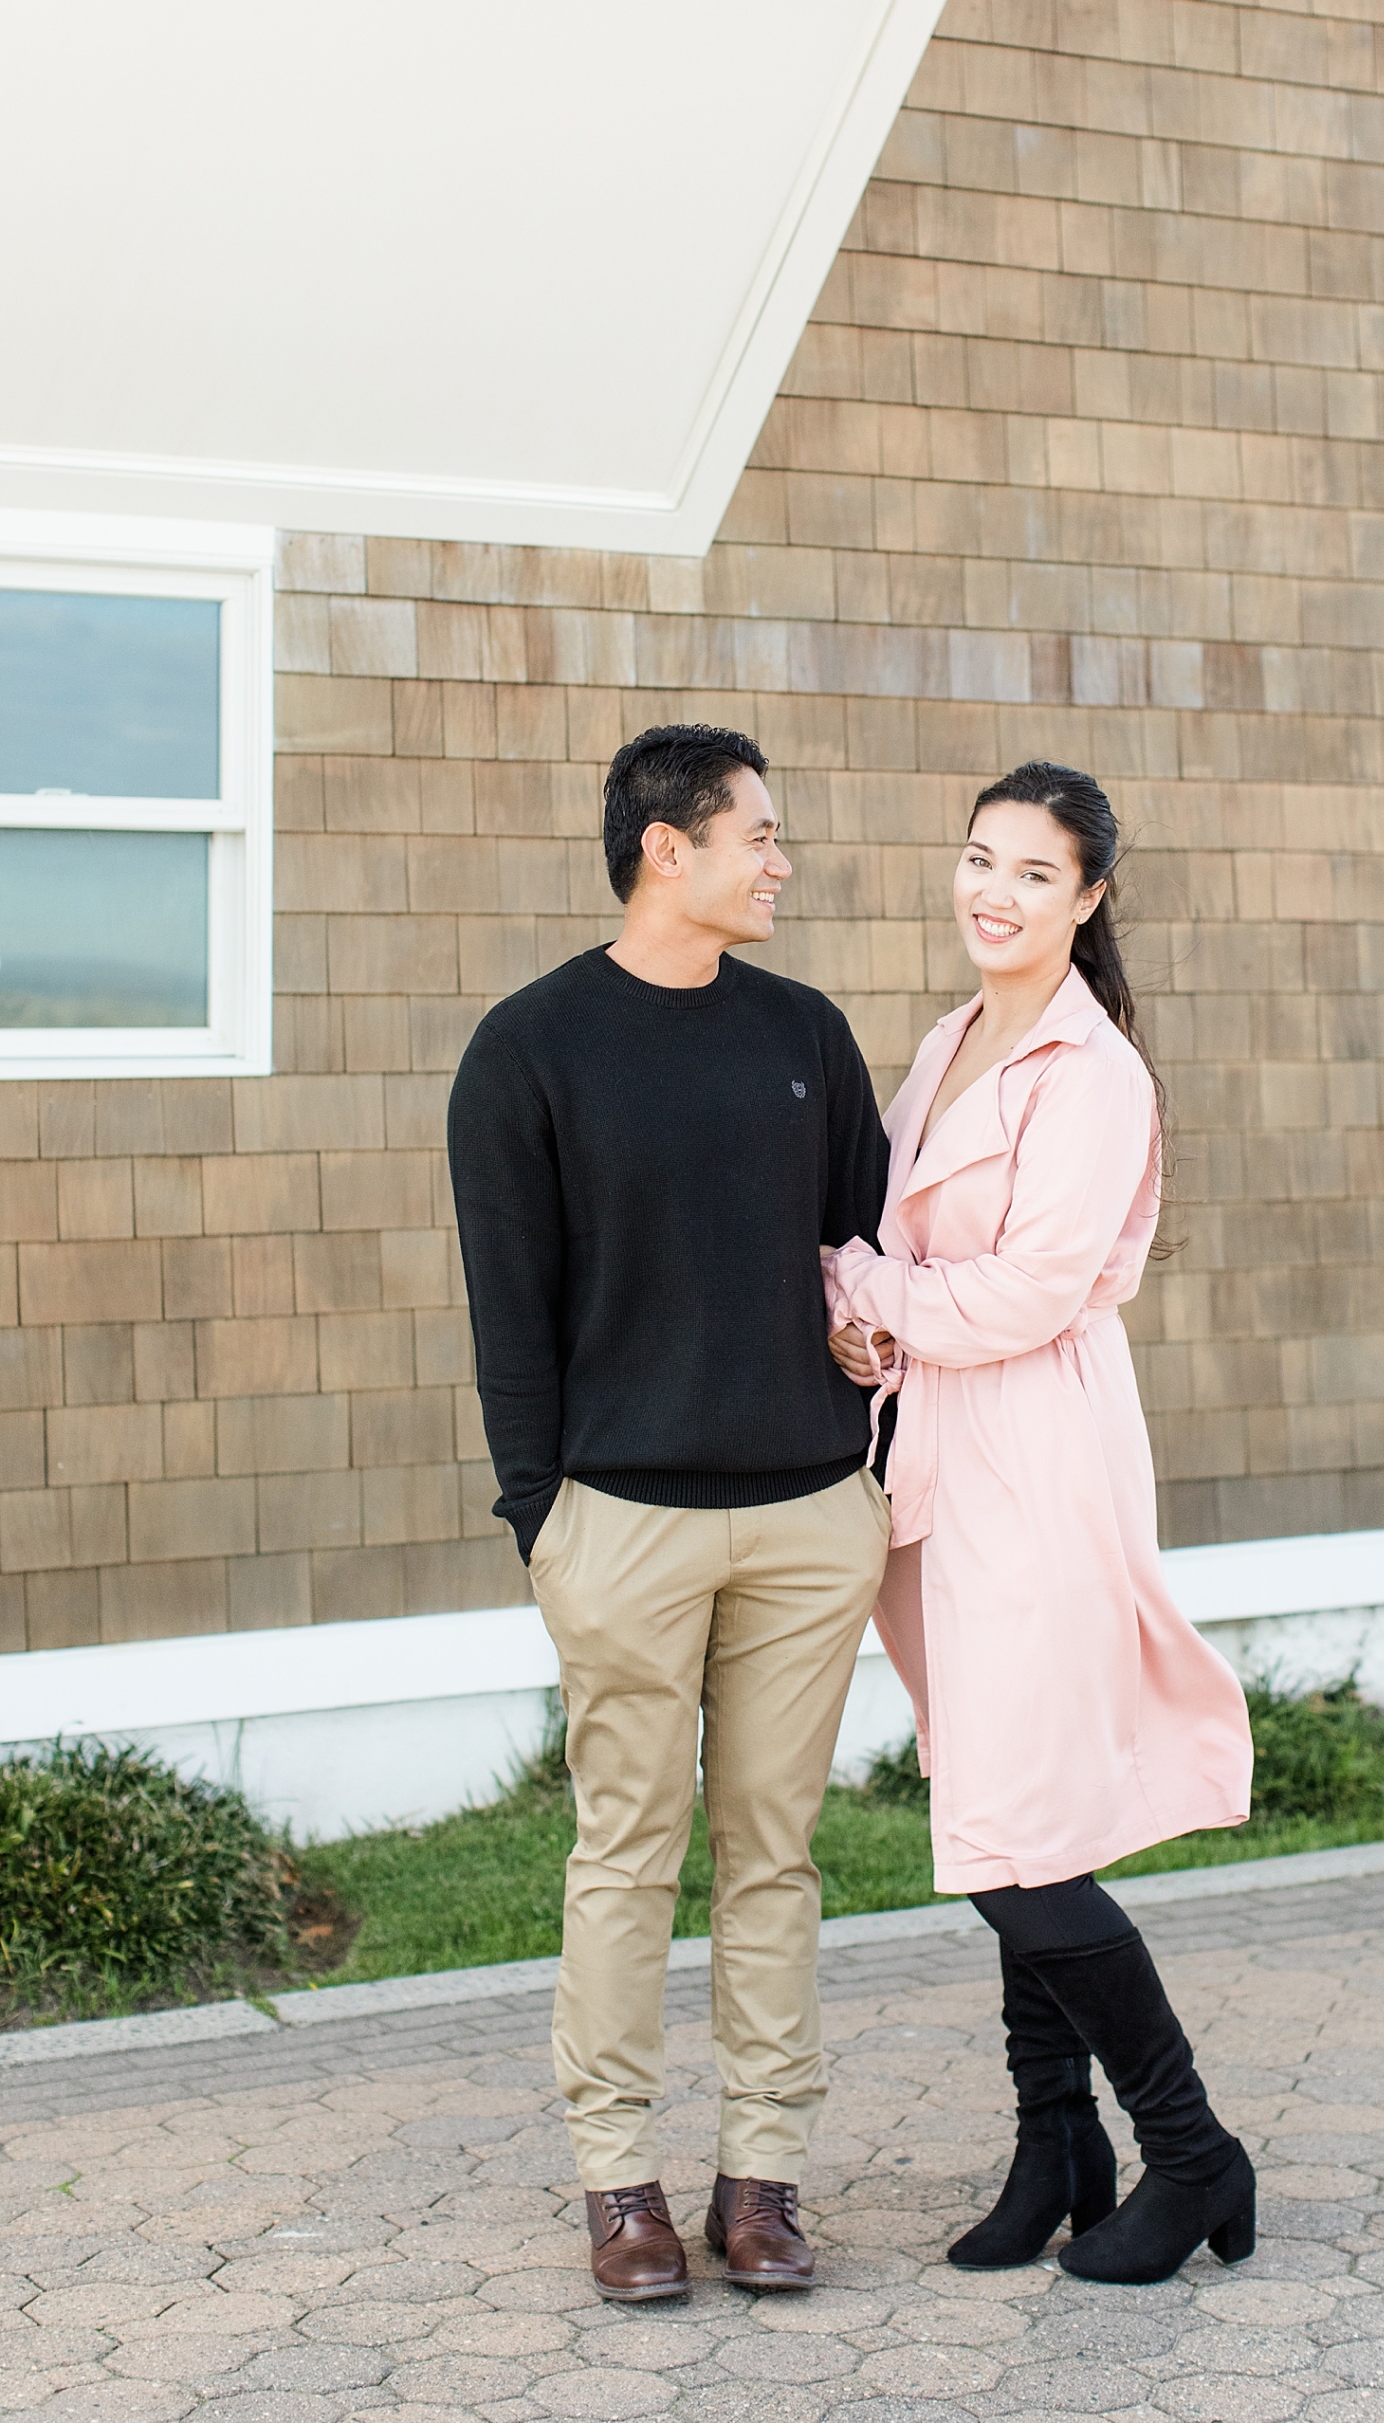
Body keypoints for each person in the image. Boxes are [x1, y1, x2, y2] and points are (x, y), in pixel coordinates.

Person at [448, 723, 891, 2306]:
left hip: (807, 1517)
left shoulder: (807, 1034)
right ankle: (616, 2186)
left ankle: (760, 2181)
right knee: (625, 1855)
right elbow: (512, 1311)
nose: (782, 862)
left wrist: (870, 1443)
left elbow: (865, 1256)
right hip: (618, 1522)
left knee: (775, 1857)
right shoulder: (530, 1048)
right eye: (759, 835)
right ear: (666, 847)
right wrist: (542, 1522)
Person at [823, 760, 1256, 2288]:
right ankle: (1054, 2144)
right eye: (977, 859)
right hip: (933, 1457)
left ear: (1087, 898)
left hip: (1035, 1461)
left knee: (1017, 1838)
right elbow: (884, 1242)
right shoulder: (947, 1040)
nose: (991, 893)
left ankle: (1192, 2152)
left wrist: (869, 1299)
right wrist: (869, 1322)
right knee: (991, 1803)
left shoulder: (1095, 1076)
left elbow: (1018, 1291)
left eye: (1029, 871)